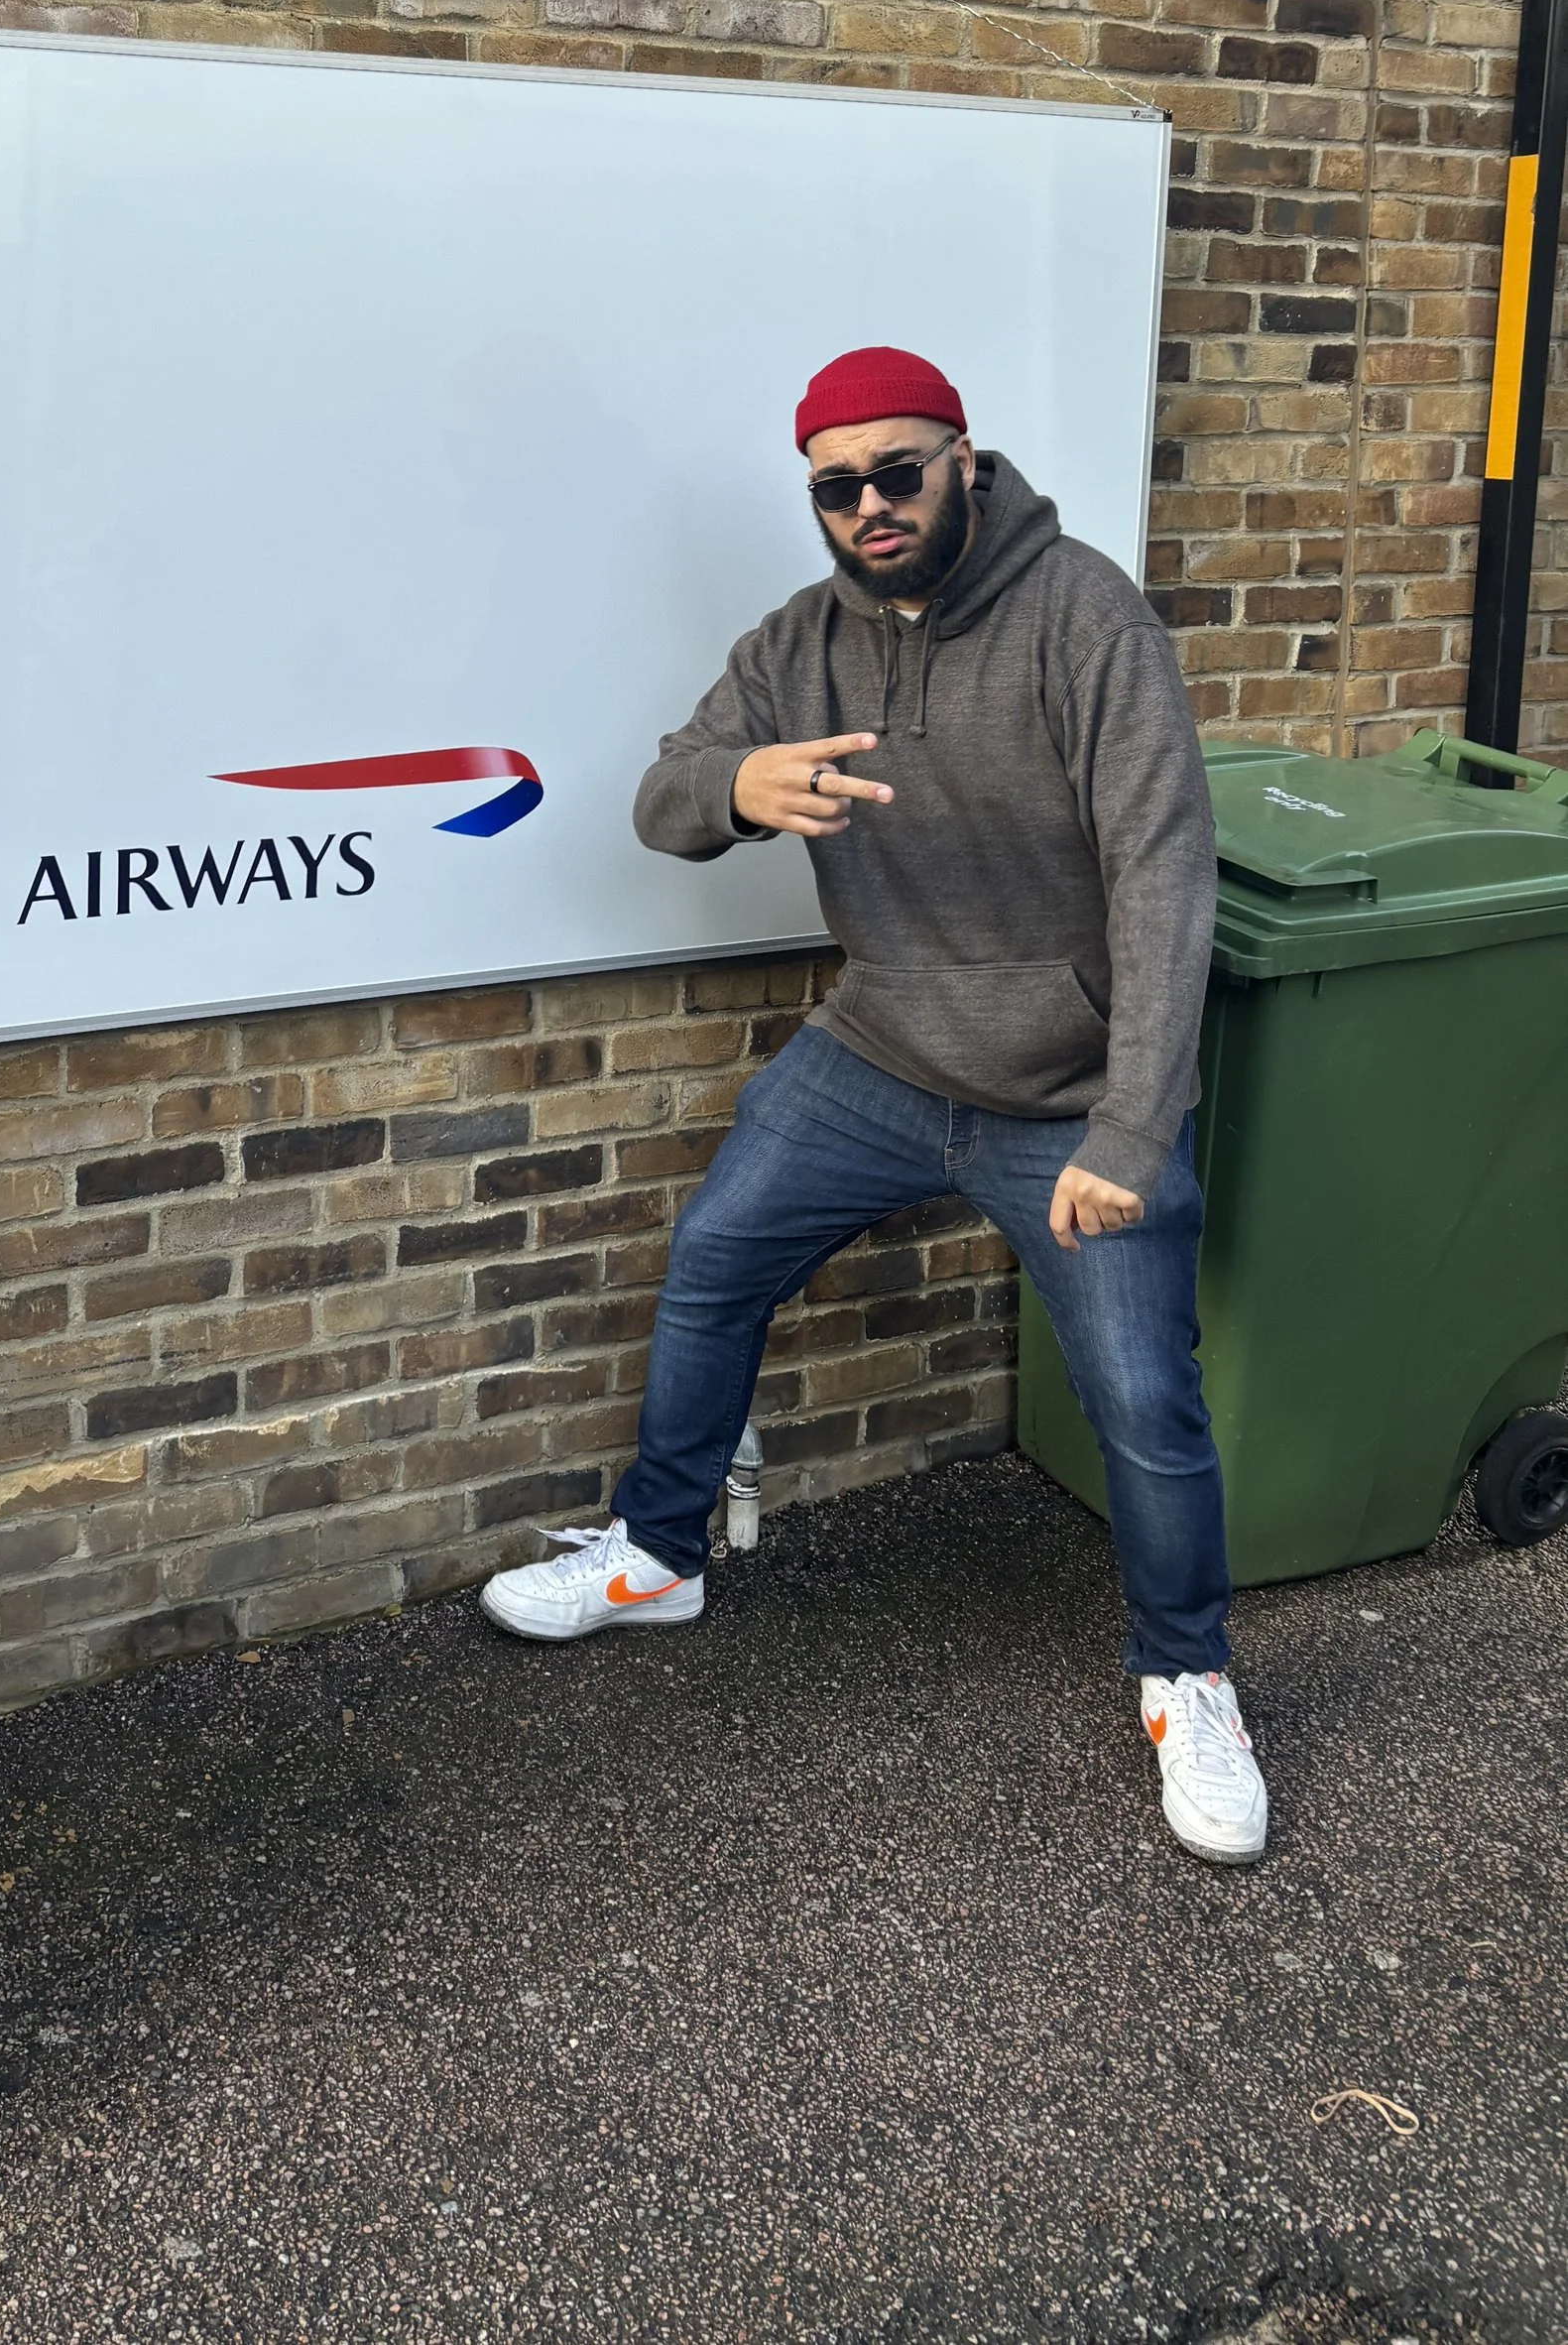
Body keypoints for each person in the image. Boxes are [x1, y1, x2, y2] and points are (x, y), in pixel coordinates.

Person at [479, 345, 1268, 1866]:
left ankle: (1190, 1677)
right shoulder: (801, 641)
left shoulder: (1083, 616)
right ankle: (661, 1552)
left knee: (1146, 1408)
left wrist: (1129, 1130)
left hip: (1065, 1095)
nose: (869, 506)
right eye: (836, 486)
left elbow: (1169, 881)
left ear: (965, 460)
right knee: (714, 1261)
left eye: (898, 470)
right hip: (882, 1054)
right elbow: (662, 794)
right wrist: (734, 790)